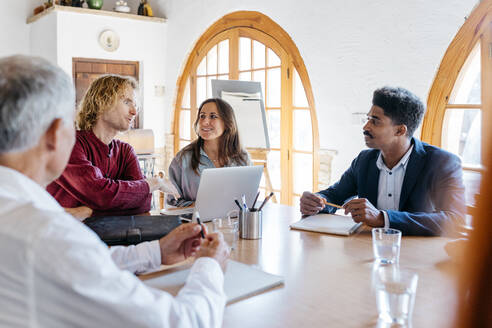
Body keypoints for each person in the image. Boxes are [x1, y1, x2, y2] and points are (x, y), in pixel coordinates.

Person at [0, 55, 230, 327]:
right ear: (54, 134)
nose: (134, 110)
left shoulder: (22, 217)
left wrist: (156, 251)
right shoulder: (48, 233)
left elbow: (85, 262)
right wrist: (209, 266)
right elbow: (182, 322)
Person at [300, 86, 466, 236]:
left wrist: (382, 218)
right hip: (366, 252)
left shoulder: (442, 162)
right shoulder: (364, 160)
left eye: (375, 121)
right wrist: (317, 201)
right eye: (367, 119)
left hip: (419, 259)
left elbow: (455, 220)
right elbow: (334, 195)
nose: (365, 127)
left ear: (400, 130)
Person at [47, 74, 178, 219]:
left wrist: (88, 211)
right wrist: (154, 183)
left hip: (110, 236)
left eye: (135, 105)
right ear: (102, 102)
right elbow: (100, 194)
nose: (134, 111)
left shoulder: (125, 151)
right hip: (65, 235)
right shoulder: (70, 143)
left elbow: (143, 203)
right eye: (127, 102)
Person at [168, 98, 251, 203]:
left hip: (233, 219)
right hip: (193, 220)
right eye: (202, 116)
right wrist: (197, 208)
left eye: (213, 116)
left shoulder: (243, 158)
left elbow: (249, 199)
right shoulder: (182, 159)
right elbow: (171, 203)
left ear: (227, 123)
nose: (205, 122)